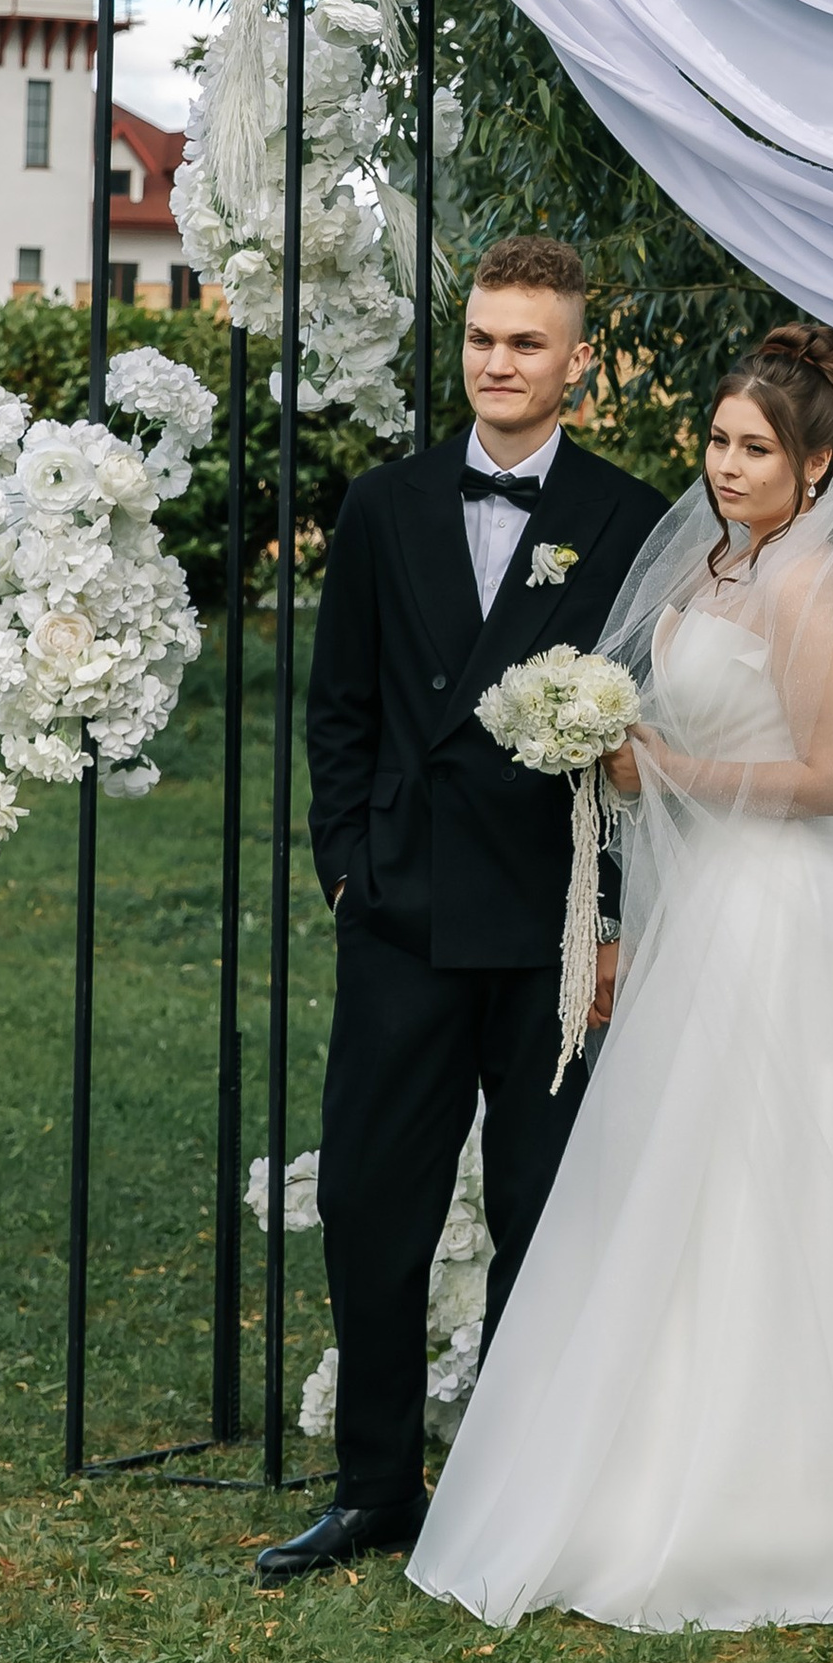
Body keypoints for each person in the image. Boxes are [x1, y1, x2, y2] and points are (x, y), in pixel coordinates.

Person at [407, 321, 833, 1632]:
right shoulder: (718, 567)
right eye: (718, 442)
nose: (726, 467)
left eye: (756, 450)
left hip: (789, 916)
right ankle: (649, 1459)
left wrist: (663, 768)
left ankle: (814, 1491)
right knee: (674, 1176)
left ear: (816, 467)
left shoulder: (809, 584)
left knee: (787, 1181)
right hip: (706, 904)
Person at [252, 234, 668, 1586]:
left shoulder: (629, 518)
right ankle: (375, 1487)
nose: (498, 362)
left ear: (577, 364)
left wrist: (609, 922)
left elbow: (642, 744)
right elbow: (341, 710)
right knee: (372, 1200)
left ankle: (514, 1489)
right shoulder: (385, 505)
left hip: (551, 924)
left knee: (541, 1212)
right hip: (405, 914)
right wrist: (348, 870)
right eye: (483, 338)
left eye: (527, 343)